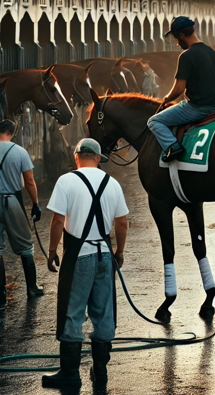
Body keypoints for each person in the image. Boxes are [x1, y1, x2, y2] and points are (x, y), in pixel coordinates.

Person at [42, 138, 129, 389]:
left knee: (73, 311)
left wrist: (51, 250)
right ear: (99, 158)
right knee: (103, 313)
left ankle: (70, 372)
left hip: (78, 257)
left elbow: (58, 220)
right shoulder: (112, 183)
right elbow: (121, 223)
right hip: (104, 254)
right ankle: (100, 371)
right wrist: (119, 252)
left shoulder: (66, 181)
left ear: (77, 156)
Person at [147, 16, 215, 162]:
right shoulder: (213, 53)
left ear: (182, 36)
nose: (177, 44)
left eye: (176, 39)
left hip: (198, 108)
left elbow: (178, 89)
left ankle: (172, 146)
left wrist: (166, 99)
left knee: (154, 121)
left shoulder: (187, 56)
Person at [0, 119, 44, 306]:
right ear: (13, 132)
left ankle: (1, 296)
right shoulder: (19, 151)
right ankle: (32, 289)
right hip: (12, 201)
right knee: (26, 246)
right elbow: (30, 181)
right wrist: (35, 203)